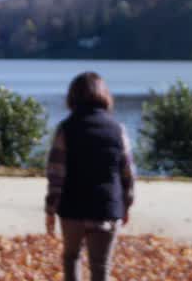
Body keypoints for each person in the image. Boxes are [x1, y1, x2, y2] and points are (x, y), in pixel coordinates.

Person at [44, 72, 136, 281]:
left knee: (71, 257)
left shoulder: (66, 129)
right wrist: (126, 205)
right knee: (101, 266)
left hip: (72, 209)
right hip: (107, 208)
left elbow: (56, 174)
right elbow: (128, 173)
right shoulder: (117, 130)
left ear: (72, 97)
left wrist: (51, 209)